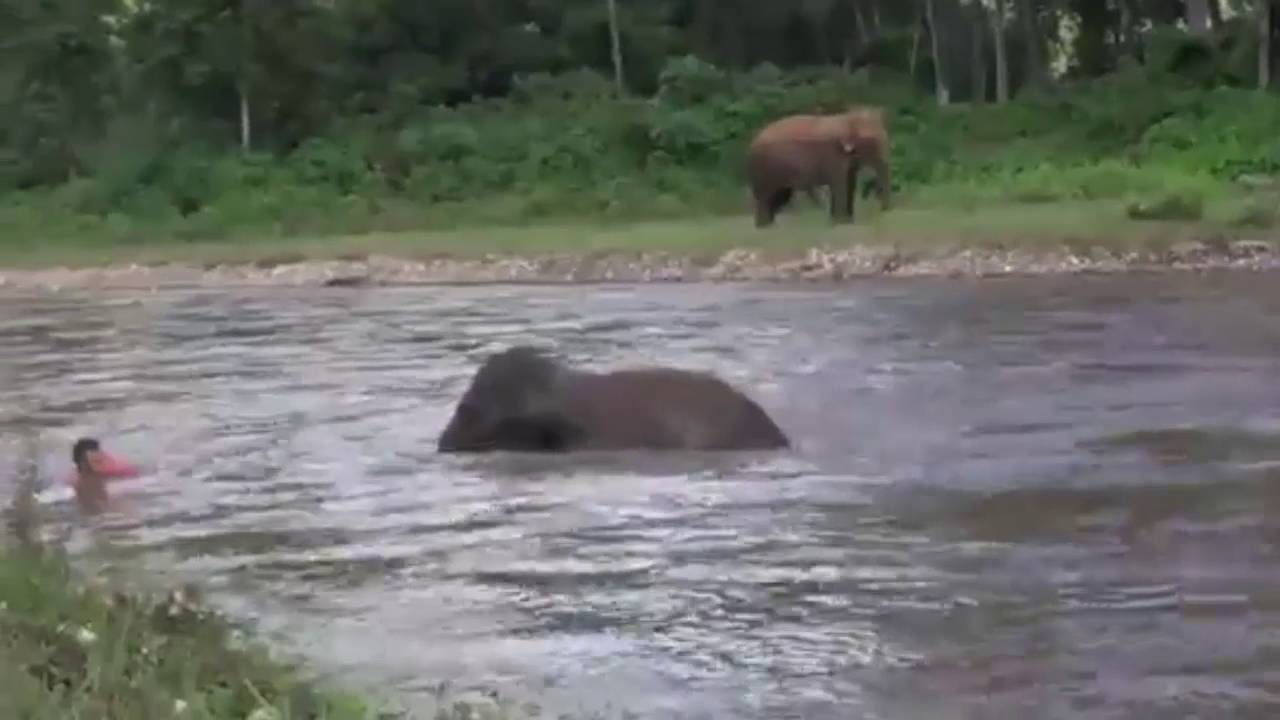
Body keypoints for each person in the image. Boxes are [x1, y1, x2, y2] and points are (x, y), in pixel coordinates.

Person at [68, 437, 141, 510]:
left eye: (100, 461)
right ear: (82, 463)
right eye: (95, 462)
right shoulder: (86, 483)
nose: (101, 465)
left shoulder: (94, 477)